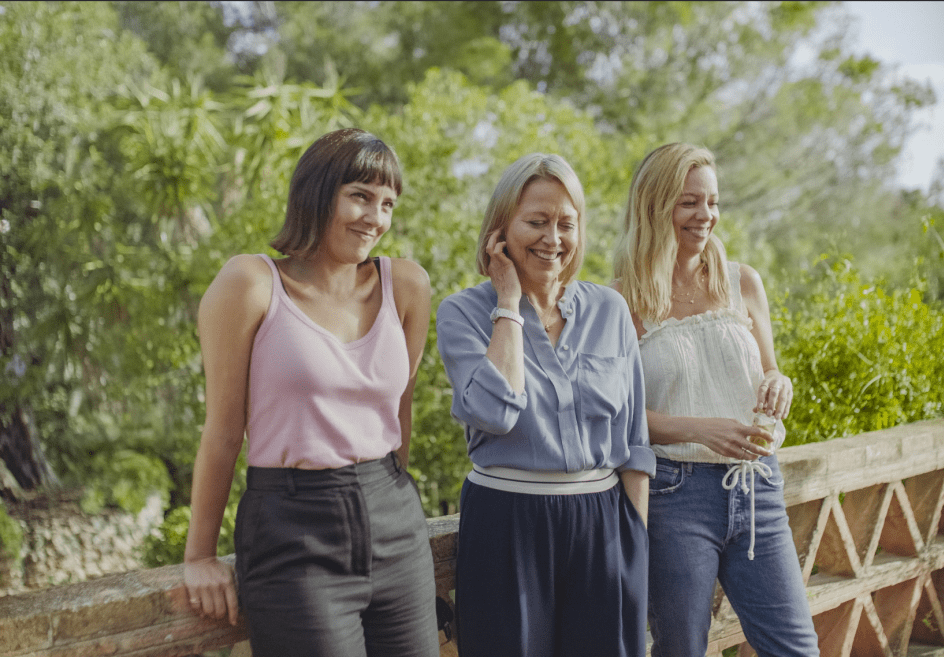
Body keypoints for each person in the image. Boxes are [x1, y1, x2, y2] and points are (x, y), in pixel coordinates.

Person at [181, 128, 439, 657]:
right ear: (318, 192)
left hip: (394, 517)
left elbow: (399, 411)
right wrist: (199, 556)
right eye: (361, 196)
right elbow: (224, 431)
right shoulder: (250, 283)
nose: (376, 217)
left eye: (388, 202)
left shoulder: (407, 285)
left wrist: (392, 498)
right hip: (293, 531)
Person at [436, 153, 656, 657]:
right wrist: (507, 304)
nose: (551, 238)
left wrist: (633, 542)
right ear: (500, 230)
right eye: (535, 222)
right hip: (505, 523)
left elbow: (633, 440)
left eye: (565, 223)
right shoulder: (462, 314)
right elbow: (496, 411)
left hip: (604, 522)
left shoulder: (610, 309)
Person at [612, 142, 819, 656]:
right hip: (673, 496)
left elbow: (769, 368)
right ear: (655, 206)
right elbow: (618, 417)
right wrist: (701, 428)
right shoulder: (619, 301)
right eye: (689, 202)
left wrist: (779, 382)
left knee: (795, 647)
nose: (706, 216)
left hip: (759, 485)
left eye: (713, 202)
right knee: (681, 648)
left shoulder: (742, 281)